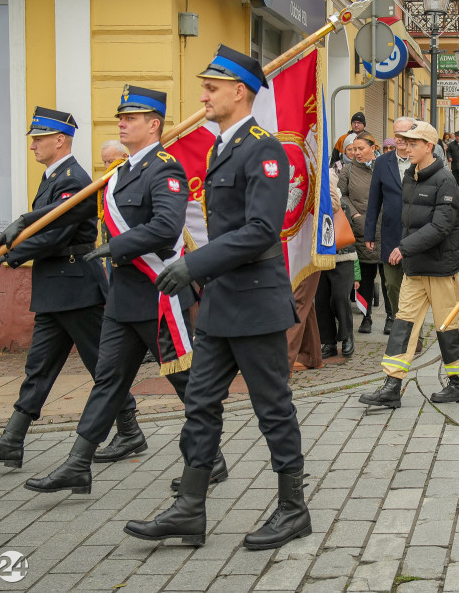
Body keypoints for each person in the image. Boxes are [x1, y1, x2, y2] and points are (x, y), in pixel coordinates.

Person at [126, 45, 308, 550]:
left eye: (212, 87)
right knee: (201, 404)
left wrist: (192, 265)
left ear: (239, 90)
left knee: (272, 409)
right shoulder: (219, 147)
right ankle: (189, 509)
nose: (202, 94)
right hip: (222, 303)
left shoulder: (264, 149)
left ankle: (294, 509)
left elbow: (259, 231)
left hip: (255, 303)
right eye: (204, 86)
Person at [0, 85, 216, 493]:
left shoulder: (164, 169)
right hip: (122, 301)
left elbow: (167, 227)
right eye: (121, 117)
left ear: (154, 125)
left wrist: (118, 245)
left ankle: (211, 458)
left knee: (187, 383)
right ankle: (78, 464)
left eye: (131, 117)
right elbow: (74, 205)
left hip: (158, 295)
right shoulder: (122, 172)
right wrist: (23, 223)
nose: (122, 122)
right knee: (108, 382)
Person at [0, 108, 118, 469]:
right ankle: (12, 440)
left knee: (103, 366)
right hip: (55, 289)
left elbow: (56, 233)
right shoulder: (53, 177)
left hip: (77, 287)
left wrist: (14, 252)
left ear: (60, 140)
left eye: (39, 138)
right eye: (33, 138)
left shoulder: (73, 179)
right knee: (39, 367)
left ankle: (129, 430)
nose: (33, 145)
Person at [358, 120, 459, 408]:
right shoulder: (411, 176)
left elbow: (441, 226)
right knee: (403, 324)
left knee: (447, 326)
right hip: (415, 268)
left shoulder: (445, 180)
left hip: (441, 268)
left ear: (429, 146)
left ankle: (458, 383)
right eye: (405, 142)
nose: (406, 147)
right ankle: (392, 385)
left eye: (413, 143)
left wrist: (403, 248)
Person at [365, 117, 415, 336]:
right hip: (391, 232)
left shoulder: (420, 159)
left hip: (417, 235)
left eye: (404, 134)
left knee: (415, 286)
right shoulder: (383, 162)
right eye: (396, 134)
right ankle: (398, 318)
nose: (400, 139)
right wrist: (369, 233)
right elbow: (374, 200)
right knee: (392, 284)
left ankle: (413, 330)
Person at [340, 134, 381, 334]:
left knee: (389, 278)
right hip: (361, 229)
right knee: (365, 277)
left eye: (360, 149)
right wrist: (355, 214)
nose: (356, 153)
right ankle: (366, 317)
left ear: (373, 148)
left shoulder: (383, 167)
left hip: (384, 228)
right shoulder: (348, 170)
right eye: (353, 149)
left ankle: (392, 317)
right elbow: (342, 195)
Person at [317, 168, 357, 357]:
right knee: (322, 301)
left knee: (340, 298)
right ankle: (329, 342)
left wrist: (328, 192)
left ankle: (347, 336)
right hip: (319, 259)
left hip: (343, 258)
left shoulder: (340, 203)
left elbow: (334, 209)